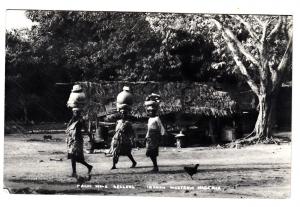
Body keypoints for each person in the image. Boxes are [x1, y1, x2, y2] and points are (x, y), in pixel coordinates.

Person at [66, 108, 93, 177]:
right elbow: (67, 128)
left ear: (79, 113)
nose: (75, 113)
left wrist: (90, 137)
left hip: (77, 140)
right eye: (74, 112)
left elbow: (86, 129)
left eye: (77, 112)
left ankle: (75, 172)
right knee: (73, 157)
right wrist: (72, 119)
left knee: (74, 156)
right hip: (72, 140)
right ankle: (87, 167)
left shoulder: (81, 120)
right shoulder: (72, 120)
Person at [144, 93, 166, 172]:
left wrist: (162, 136)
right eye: (149, 111)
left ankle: (155, 167)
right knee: (149, 152)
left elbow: (161, 127)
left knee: (153, 152)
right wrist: (146, 137)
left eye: (152, 111)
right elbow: (149, 129)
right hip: (150, 137)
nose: (150, 112)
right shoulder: (149, 119)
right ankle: (155, 166)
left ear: (154, 111)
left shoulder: (157, 118)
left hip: (155, 137)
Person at [110, 105, 137, 170]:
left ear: (127, 114)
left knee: (127, 152)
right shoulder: (118, 121)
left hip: (124, 138)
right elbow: (116, 129)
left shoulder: (128, 123)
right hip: (116, 138)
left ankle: (134, 162)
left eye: (125, 113)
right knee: (115, 151)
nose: (123, 114)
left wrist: (132, 138)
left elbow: (131, 131)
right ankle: (114, 165)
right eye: (122, 113)